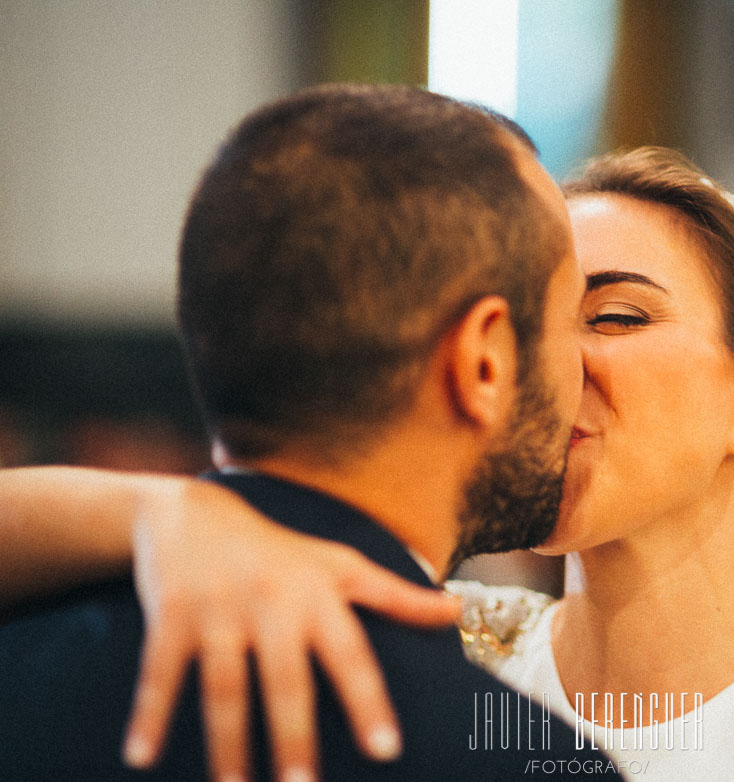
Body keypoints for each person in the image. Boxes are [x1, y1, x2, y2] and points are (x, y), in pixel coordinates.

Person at [0, 148, 734, 781]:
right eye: (536, 324)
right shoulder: (445, 628)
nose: (552, 366)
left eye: (614, 315)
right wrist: (169, 515)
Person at [0, 83, 621, 781]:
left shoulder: (23, 644)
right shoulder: (516, 761)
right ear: (484, 360)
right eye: (576, 320)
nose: (589, 368)